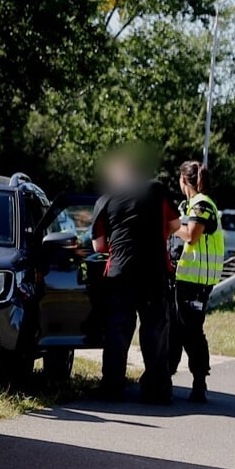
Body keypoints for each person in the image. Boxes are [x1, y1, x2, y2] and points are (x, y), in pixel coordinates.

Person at [90, 154, 180, 403]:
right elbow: (175, 224)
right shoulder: (155, 189)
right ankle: (157, 389)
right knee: (155, 331)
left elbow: (98, 246)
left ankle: (112, 386)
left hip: (119, 274)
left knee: (117, 331)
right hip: (153, 272)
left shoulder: (104, 200)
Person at [167, 160, 223, 402]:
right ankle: (164, 378)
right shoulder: (189, 206)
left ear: (183, 180)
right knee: (175, 330)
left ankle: (199, 382)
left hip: (196, 282)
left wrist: (171, 225)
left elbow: (191, 236)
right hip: (184, 279)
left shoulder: (202, 205)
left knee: (191, 331)